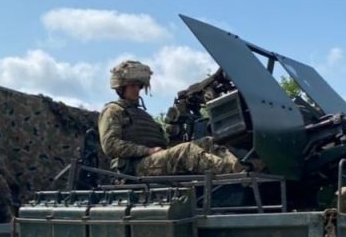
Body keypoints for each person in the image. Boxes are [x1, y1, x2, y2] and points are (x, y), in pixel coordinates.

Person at [98, 60, 244, 177]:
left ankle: (240, 165)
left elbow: (163, 143)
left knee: (208, 142)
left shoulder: (143, 115)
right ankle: (234, 171)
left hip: (150, 160)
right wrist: (146, 151)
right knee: (186, 151)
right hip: (133, 167)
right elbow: (110, 145)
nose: (137, 90)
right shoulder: (113, 110)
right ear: (121, 88)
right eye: (132, 86)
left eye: (139, 86)